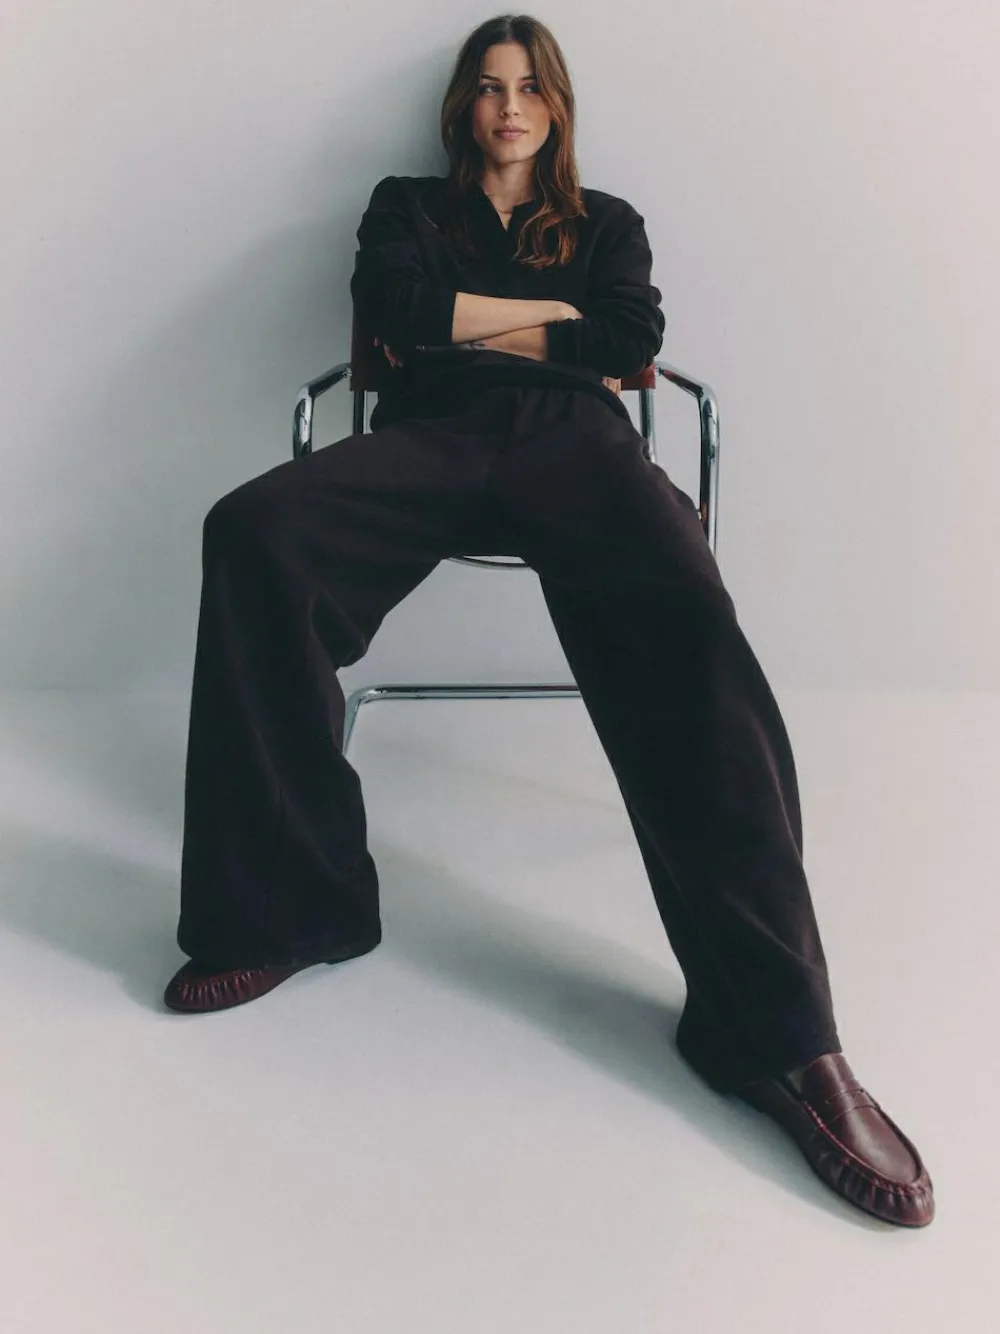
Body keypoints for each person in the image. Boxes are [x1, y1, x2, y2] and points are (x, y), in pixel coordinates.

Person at [163, 13, 934, 1228]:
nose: (509, 106)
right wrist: (545, 325)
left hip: (577, 439)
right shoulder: (405, 205)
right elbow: (397, 313)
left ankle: (777, 1033)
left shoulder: (607, 222)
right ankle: (292, 903)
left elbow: (628, 340)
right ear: (462, 107)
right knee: (251, 530)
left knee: (692, 621)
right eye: (488, 86)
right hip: (431, 432)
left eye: (530, 87)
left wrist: (477, 320)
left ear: (557, 106)